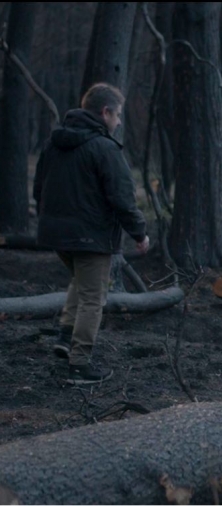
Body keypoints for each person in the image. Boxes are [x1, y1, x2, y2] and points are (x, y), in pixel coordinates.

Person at [33, 82, 150, 386]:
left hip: (56, 235)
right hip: (91, 237)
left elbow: (38, 189)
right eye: (118, 115)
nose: (119, 122)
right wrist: (139, 233)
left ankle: (65, 336)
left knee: (81, 283)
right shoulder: (104, 148)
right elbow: (122, 198)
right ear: (105, 112)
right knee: (93, 298)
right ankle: (79, 364)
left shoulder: (53, 143)